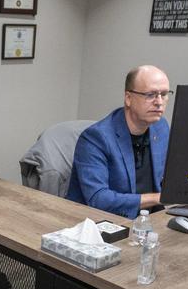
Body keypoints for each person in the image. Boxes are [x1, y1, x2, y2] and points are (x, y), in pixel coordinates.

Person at [66, 65, 172, 218]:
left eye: (164, 94)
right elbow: (99, 199)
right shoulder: (95, 138)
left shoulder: (160, 127)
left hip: (148, 221)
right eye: (150, 95)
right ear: (128, 98)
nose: (159, 102)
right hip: (100, 224)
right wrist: (158, 198)